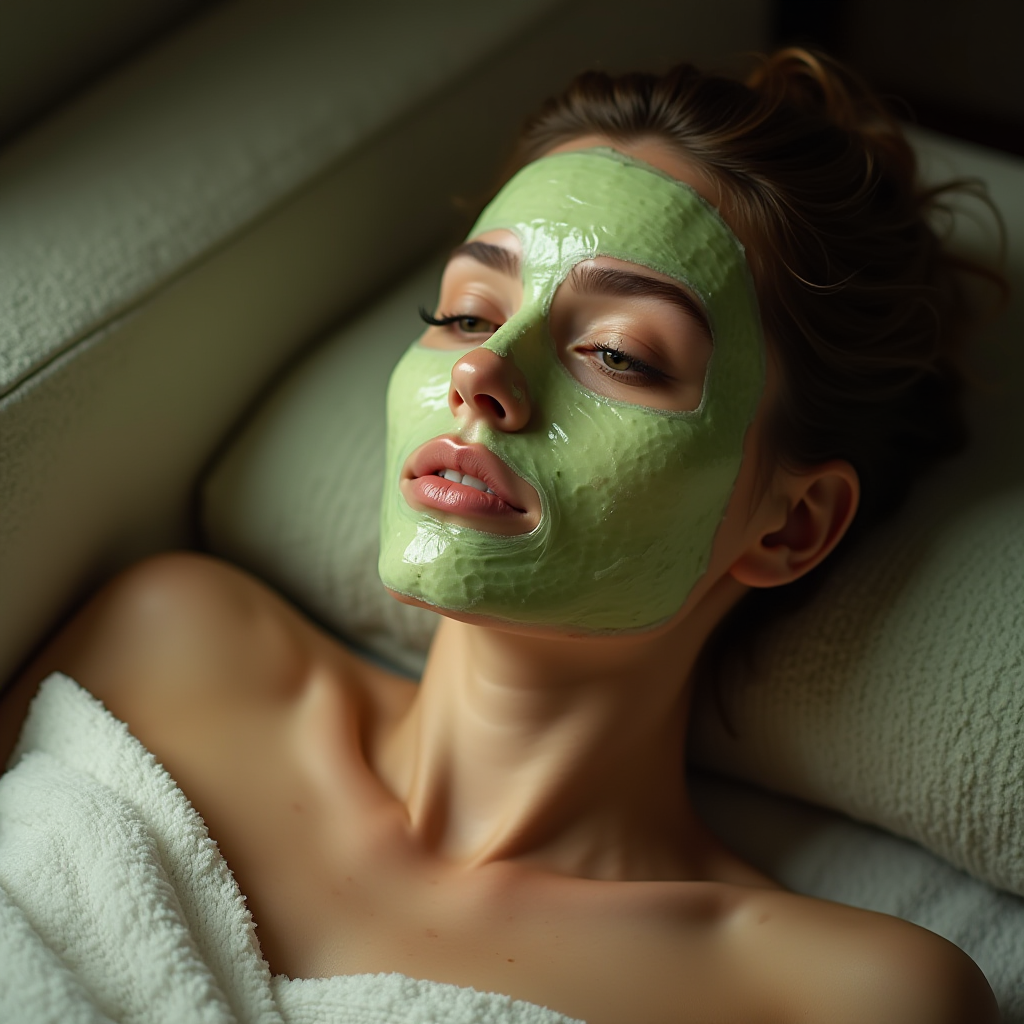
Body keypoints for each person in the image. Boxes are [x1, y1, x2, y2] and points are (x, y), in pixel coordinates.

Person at [0, 48, 1002, 1023]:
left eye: (615, 353)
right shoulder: (173, 641)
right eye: (468, 312)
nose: (481, 374)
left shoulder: (836, 994)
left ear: (790, 524)